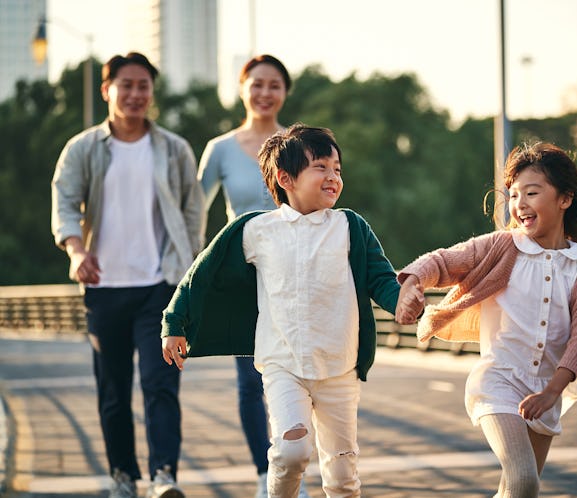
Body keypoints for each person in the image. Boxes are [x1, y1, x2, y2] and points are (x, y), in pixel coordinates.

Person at [161, 124, 422, 498]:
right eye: (321, 167)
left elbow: (381, 280)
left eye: (337, 169)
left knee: (343, 475)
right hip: (283, 365)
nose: (333, 177)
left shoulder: (350, 227)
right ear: (285, 178)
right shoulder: (256, 230)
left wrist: (403, 302)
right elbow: (201, 274)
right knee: (290, 452)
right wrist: (175, 322)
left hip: (340, 367)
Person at [395, 142, 577, 497]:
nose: (519, 204)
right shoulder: (502, 247)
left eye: (531, 192)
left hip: (548, 388)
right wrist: (412, 283)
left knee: (518, 491)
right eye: (514, 195)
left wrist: (552, 391)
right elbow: (442, 261)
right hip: (499, 381)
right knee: (524, 480)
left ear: (565, 199)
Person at [51, 52, 205, 498]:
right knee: (114, 390)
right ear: (108, 90)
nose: (136, 94)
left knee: (161, 385)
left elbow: (194, 209)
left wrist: (188, 265)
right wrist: (76, 250)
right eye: (127, 85)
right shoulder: (83, 149)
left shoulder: (174, 148)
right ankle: (123, 476)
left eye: (144, 86)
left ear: (152, 93)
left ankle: (163, 476)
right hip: (103, 286)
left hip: (161, 286)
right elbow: (64, 202)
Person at [197, 54, 308, 498]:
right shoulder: (221, 149)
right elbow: (193, 210)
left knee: (301, 375)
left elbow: (322, 195)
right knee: (250, 381)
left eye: (274, 85)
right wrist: (198, 273)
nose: (265, 93)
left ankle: (294, 469)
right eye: (256, 84)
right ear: (242, 88)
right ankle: (268, 474)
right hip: (243, 280)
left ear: (284, 92)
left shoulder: (301, 143)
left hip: (298, 274)